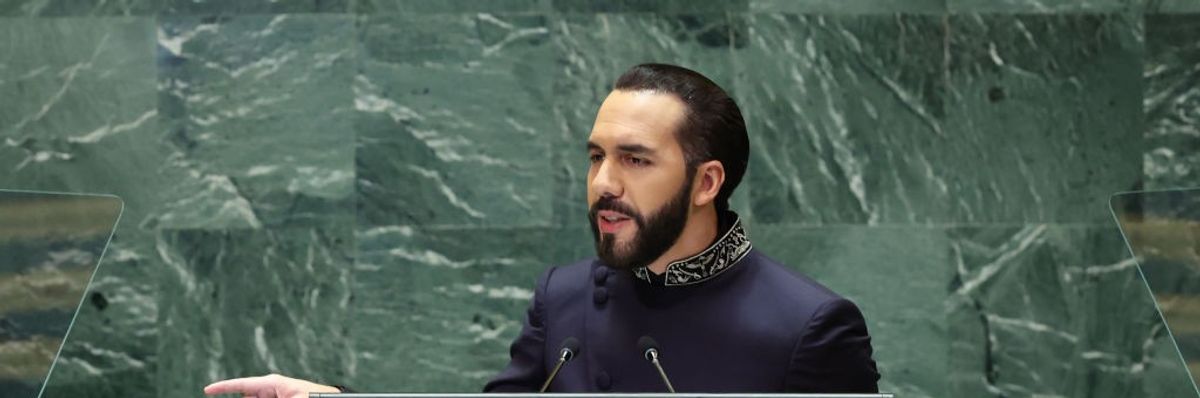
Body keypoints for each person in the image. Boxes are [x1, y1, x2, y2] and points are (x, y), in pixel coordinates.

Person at [204, 63, 879, 397]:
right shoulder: (563, 298)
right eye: (596, 156)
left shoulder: (811, 327)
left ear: (707, 183)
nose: (603, 183)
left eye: (635, 160)